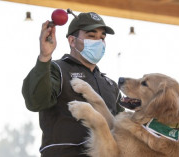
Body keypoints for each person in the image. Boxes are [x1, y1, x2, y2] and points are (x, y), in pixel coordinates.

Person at [22, 11, 124, 157]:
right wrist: (45, 56)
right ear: (72, 41)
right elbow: (35, 101)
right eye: (91, 36)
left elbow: (124, 132)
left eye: (102, 38)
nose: (98, 42)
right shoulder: (56, 69)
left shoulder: (111, 85)